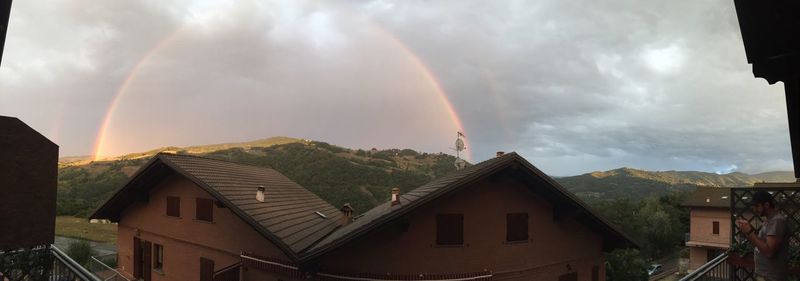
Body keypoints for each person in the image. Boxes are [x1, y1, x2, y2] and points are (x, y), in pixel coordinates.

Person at [736, 191, 790, 281]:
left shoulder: (777, 222)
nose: (754, 209)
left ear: (767, 205)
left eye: (757, 206)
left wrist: (749, 232)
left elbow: (769, 251)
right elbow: (761, 243)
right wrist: (747, 231)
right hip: (765, 275)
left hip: (771, 276)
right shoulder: (769, 221)